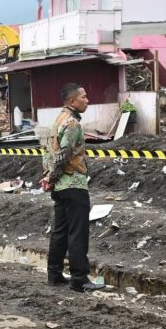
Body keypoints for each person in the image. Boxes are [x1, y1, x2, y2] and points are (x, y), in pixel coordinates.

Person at [40, 83, 105, 293]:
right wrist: (50, 177)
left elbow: (48, 152)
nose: (87, 100)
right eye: (84, 97)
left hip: (60, 186)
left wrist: (48, 176)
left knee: (60, 231)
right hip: (74, 184)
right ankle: (79, 278)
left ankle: (55, 274)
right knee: (77, 232)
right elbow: (64, 154)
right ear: (72, 102)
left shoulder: (57, 121)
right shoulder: (72, 124)